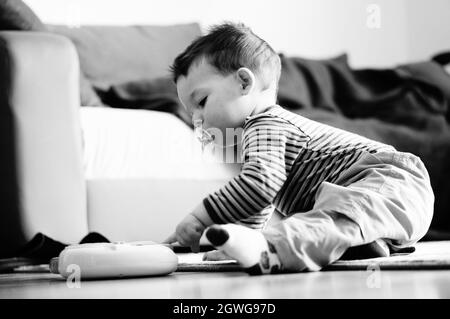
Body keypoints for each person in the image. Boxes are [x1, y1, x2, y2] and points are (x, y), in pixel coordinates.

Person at [164, 22, 434, 274]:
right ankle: (365, 244)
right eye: (190, 113)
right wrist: (239, 240)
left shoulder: (265, 123)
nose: (196, 119)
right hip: (386, 199)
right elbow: (259, 200)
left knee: (331, 218)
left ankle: (270, 251)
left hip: (385, 177)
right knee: (332, 224)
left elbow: (259, 185)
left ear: (244, 83)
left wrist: (200, 216)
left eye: (201, 102)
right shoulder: (259, 134)